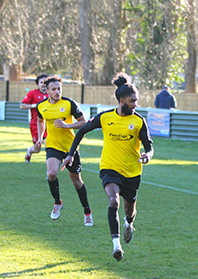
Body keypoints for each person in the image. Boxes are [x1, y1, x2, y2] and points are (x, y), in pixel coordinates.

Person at [63, 73, 154, 262]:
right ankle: (116, 246)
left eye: (136, 100)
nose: (135, 104)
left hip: (132, 172)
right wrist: (71, 154)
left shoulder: (139, 121)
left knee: (129, 211)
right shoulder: (105, 117)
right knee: (113, 200)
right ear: (122, 100)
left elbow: (149, 147)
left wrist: (147, 156)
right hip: (109, 168)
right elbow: (81, 131)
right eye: (132, 101)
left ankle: (128, 224)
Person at [35, 76, 93, 227]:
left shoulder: (69, 104)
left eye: (59, 89)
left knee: (76, 181)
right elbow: (40, 121)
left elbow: (83, 122)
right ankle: (57, 202)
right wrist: (40, 138)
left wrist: (66, 126)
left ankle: (87, 212)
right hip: (53, 146)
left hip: (70, 148)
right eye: (53, 89)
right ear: (47, 91)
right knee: (51, 174)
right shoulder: (41, 106)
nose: (57, 92)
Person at [20, 74, 48, 162]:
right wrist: (34, 106)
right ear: (37, 84)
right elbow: (22, 106)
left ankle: (51, 169)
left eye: (45, 82)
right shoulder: (32, 93)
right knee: (37, 148)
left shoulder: (51, 94)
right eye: (41, 82)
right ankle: (30, 150)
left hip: (48, 124)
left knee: (49, 146)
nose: (43, 84)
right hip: (36, 124)